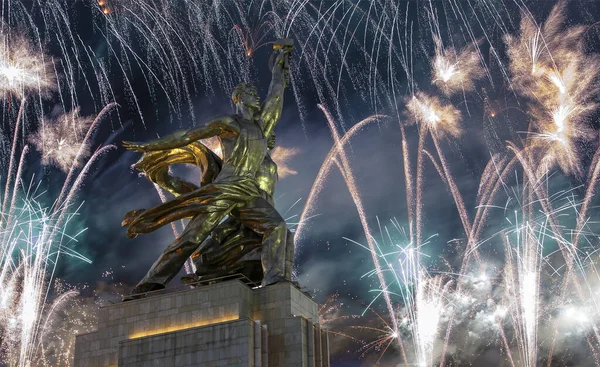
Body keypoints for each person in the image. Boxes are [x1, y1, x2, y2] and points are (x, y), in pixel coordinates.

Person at [122, 41, 292, 299]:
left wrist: (281, 63)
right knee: (191, 238)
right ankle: (147, 285)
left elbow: (276, 95)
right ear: (238, 98)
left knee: (277, 228)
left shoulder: (261, 129)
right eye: (249, 92)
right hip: (226, 187)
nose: (256, 96)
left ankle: (274, 281)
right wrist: (152, 145)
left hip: (247, 191)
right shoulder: (229, 123)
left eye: (256, 92)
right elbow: (188, 135)